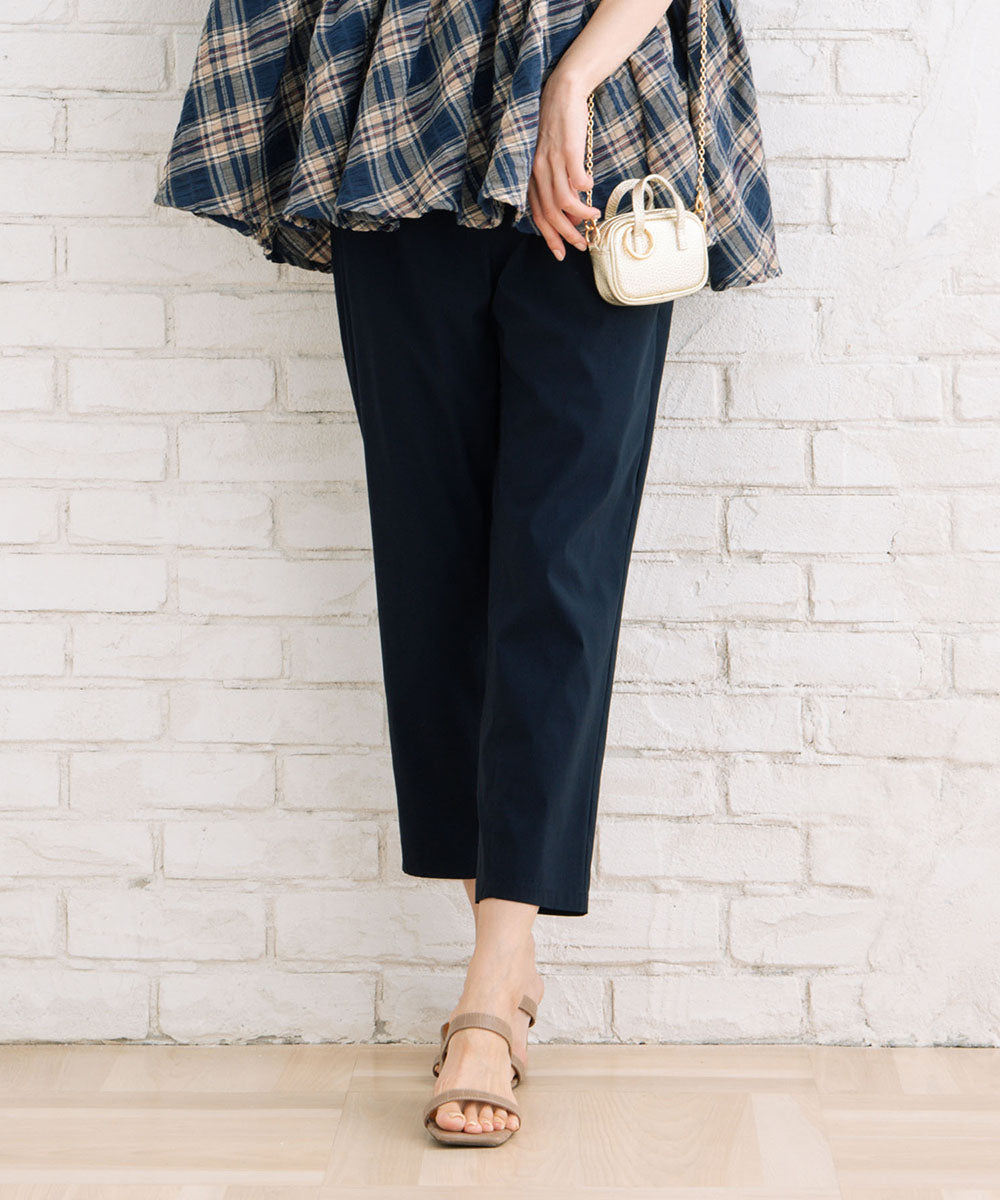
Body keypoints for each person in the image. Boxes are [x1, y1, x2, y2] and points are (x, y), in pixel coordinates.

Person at [155, 0, 781, 1147]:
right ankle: (505, 942)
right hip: (400, 99)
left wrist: (571, 80)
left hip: (604, 124)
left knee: (560, 570)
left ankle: (494, 979)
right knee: (431, 560)